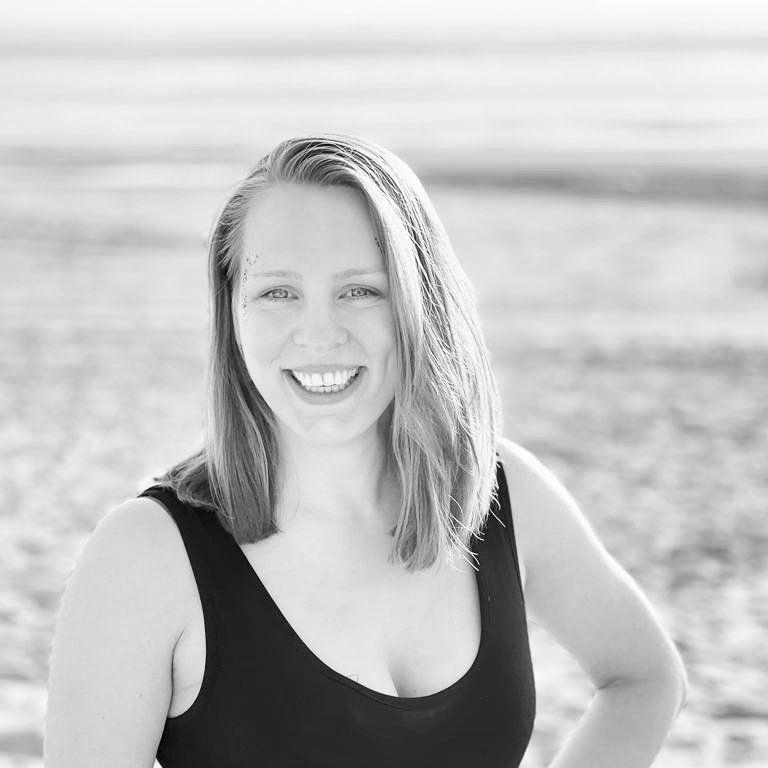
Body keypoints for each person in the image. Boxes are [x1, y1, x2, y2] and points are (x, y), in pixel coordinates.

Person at [44, 134, 687, 767]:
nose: (320, 333)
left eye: (361, 290)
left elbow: (643, 680)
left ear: (418, 306)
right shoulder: (144, 557)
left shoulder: (499, 494)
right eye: (278, 292)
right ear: (232, 312)